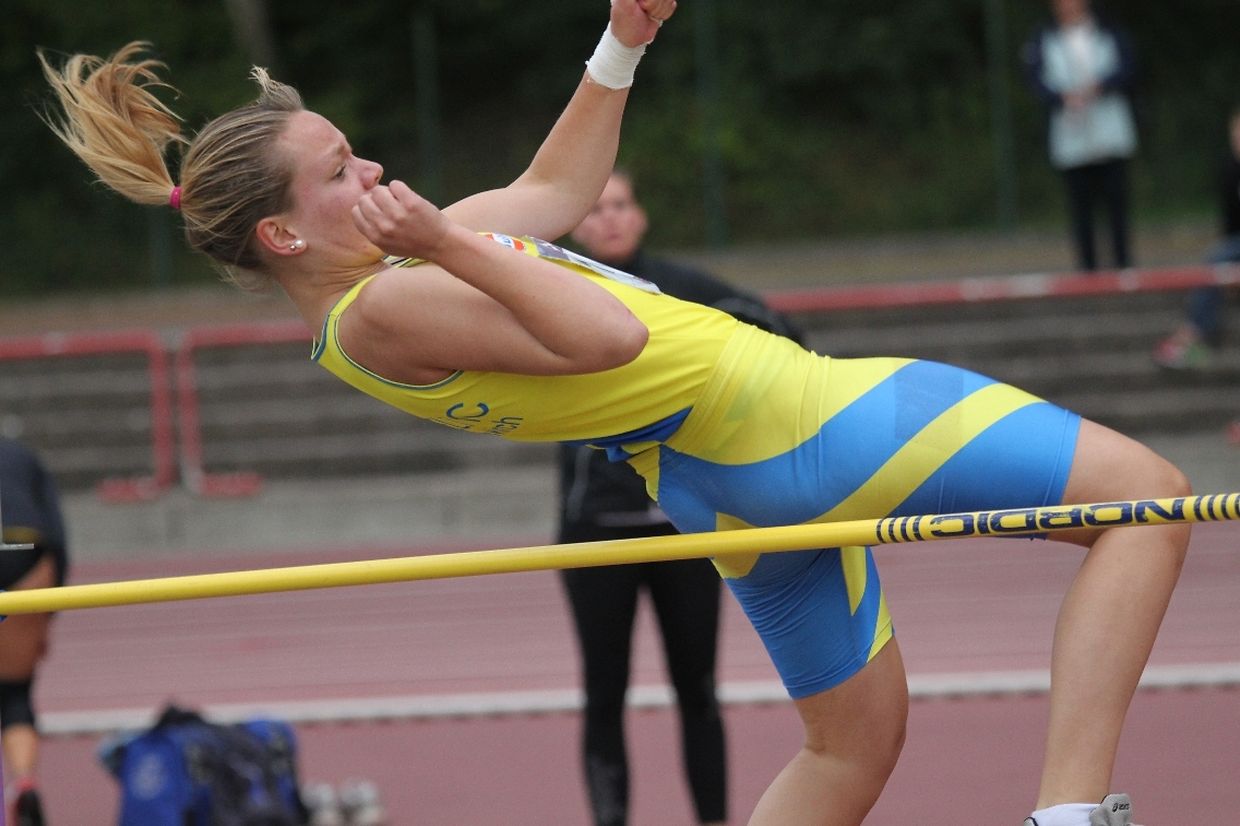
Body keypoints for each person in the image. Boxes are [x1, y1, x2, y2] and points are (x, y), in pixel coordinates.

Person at [39, 2, 1193, 823]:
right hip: (793, 416)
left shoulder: (389, 285)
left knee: (848, 749)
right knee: (1144, 500)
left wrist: (619, 44)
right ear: (284, 234)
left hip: (715, 484)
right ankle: (1069, 811)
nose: (373, 169)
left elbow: (551, 194)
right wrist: (444, 239)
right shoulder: (387, 303)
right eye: (340, 168)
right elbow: (609, 338)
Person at [558, 169, 802, 826]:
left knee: (698, 688)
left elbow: (783, 337)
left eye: (620, 204)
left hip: (684, 526)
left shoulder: (685, 290)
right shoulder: (551, 292)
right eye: (595, 208)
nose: (609, 217)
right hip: (596, 530)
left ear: (639, 215)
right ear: (575, 225)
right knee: (603, 693)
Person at [1023, 0, 1139, 272]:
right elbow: (1034, 80)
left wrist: (1102, 86)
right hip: (1071, 135)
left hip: (1110, 132)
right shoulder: (1043, 38)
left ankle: (1123, 268)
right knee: (1080, 209)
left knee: (1117, 204)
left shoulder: (1109, 31)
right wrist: (1060, 97)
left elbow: (1129, 67)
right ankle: (1088, 272)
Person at [0, 437, 70, 826]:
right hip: (24, 554)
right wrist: (46, 614)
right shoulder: (22, 456)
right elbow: (57, 538)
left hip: (20, 544)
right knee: (13, 691)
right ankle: (24, 782)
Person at [1152, 105, 1240, 371]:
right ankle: (1192, 334)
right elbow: (1230, 225)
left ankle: (1190, 335)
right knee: (1217, 261)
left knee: (1218, 258)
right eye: (1235, 134)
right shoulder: (1229, 169)